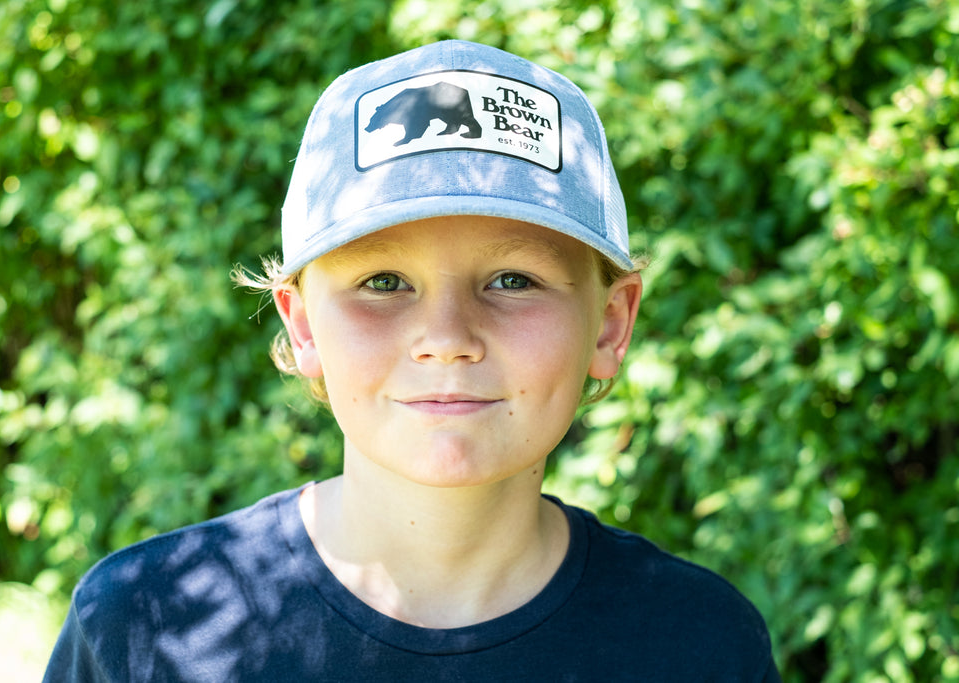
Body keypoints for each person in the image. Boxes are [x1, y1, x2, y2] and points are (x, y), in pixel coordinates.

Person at [43, 40, 780, 681]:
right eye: (383, 282)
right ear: (302, 326)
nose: (447, 335)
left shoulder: (700, 643)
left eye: (513, 280)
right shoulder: (147, 623)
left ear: (610, 324)